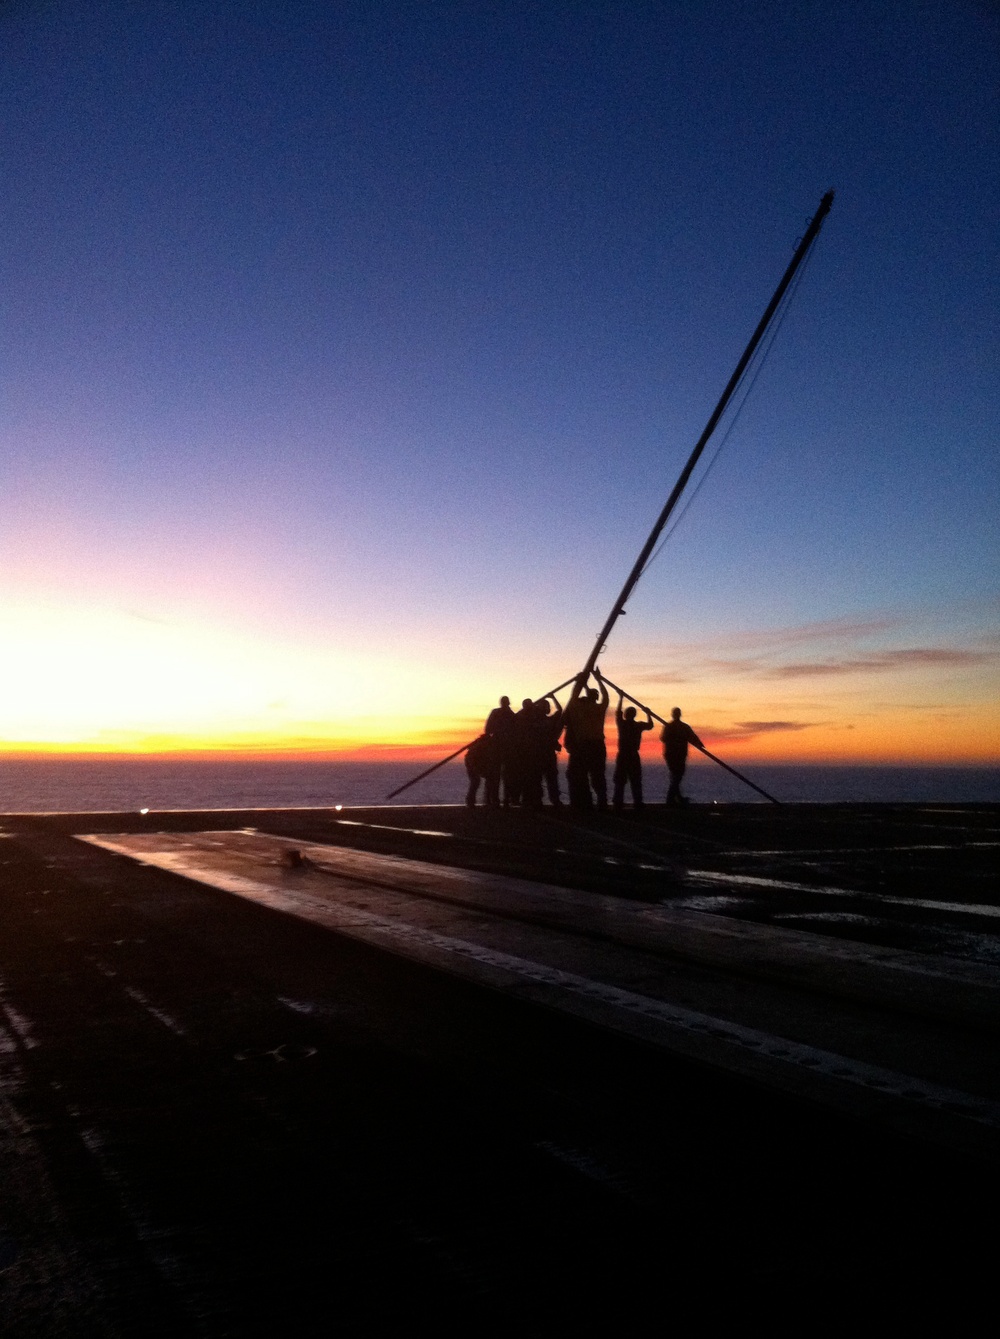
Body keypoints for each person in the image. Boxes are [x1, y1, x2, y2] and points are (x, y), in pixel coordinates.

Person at [562, 671, 610, 809]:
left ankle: (585, 802)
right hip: (598, 745)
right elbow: (605, 695)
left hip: (584, 745)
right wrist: (599, 679)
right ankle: (602, 801)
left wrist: (581, 682)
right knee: (598, 775)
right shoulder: (600, 708)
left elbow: (574, 695)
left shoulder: (580, 708)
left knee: (581, 774)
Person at [612, 695, 653, 811]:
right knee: (635, 780)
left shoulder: (623, 724)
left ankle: (618, 803)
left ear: (626, 715)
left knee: (621, 780)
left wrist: (620, 698)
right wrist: (648, 713)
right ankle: (637, 802)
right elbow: (650, 725)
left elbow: (618, 713)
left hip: (624, 755)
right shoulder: (637, 725)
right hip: (633, 755)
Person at [661, 706, 703, 806]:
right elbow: (664, 738)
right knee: (676, 776)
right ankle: (671, 799)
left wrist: (700, 745)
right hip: (673, 755)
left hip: (678, 755)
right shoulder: (672, 727)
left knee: (676, 776)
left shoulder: (681, 727)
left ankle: (676, 798)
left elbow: (693, 737)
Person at [484, 696, 516, 806]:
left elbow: (488, 729)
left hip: (500, 747)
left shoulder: (499, 713)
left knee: (498, 775)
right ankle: (502, 799)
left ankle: (496, 799)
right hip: (503, 748)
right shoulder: (511, 715)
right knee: (503, 775)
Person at [538, 695, 564, 806]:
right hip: (541, 753)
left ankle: (552, 800)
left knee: (549, 777)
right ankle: (553, 800)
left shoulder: (539, 721)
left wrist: (552, 698)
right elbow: (560, 710)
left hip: (543, 753)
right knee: (548, 778)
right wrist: (553, 698)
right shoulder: (546, 721)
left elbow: (560, 711)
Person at [464, 734, 494, 808]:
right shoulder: (481, 746)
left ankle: (486, 800)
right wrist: (477, 769)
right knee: (476, 781)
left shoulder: (484, 744)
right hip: (474, 762)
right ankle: (472, 801)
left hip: (476, 762)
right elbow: (472, 759)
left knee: (479, 781)